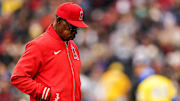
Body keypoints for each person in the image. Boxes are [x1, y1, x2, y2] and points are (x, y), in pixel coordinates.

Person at [10, 2, 88, 101]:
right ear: (59, 20)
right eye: (72, 27)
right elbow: (18, 77)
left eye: (77, 28)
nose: (75, 32)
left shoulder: (73, 46)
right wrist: (46, 93)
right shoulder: (39, 45)